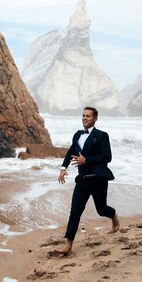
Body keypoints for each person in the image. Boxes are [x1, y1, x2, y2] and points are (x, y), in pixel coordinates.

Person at [54, 106, 119, 255]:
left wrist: (86, 160)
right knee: (75, 212)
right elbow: (71, 151)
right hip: (82, 181)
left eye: (88, 116)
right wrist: (63, 168)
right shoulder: (77, 135)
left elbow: (107, 157)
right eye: (83, 116)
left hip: (98, 180)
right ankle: (68, 244)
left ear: (95, 118)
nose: (84, 118)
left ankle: (113, 215)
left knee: (101, 210)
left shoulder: (102, 135)